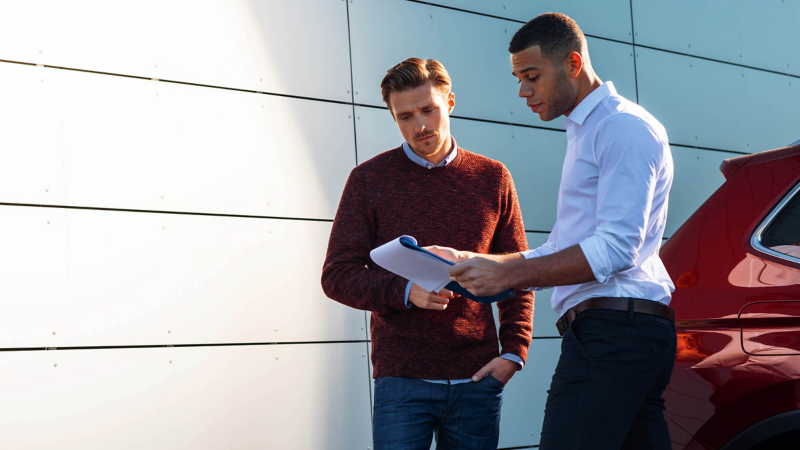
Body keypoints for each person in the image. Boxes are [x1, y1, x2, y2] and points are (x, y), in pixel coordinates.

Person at [429, 13, 677, 450]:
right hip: (621, 334)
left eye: (532, 76)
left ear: (573, 64)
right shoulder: (589, 131)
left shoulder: (621, 127)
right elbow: (566, 247)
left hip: (615, 335)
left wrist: (509, 277)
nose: (523, 91)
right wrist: (481, 262)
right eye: (518, 78)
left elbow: (617, 248)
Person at [321, 57, 534, 450]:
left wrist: (514, 353)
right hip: (401, 381)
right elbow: (337, 274)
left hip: (477, 379)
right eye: (404, 117)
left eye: (428, 110)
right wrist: (404, 291)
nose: (419, 125)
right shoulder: (368, 180)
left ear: (450, 102)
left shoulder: (493, 178)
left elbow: (518, 273)